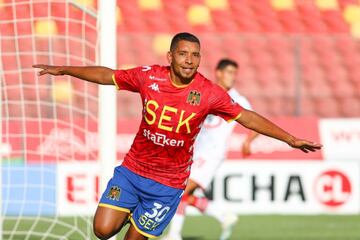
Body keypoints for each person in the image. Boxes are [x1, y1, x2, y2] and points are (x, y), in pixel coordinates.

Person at [33, 32, 322, 240]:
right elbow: (108, 75)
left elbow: (246, 116)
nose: (190, 60)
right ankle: (131, 212)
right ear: (170, 56)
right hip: (132, 172)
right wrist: (65, 70)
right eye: (183, 53)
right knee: (102, 230)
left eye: (195, 55)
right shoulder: (149, 77)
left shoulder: (209, 93)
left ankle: (141, 218)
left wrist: (290, 139)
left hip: (168, 185)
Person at [163, 58, 258, 240]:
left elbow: (255, 123)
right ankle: (222, 215)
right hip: (195, 151)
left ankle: (174, 235)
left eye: (235, 74)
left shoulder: (238, 99)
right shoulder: (207, 92)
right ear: (219, 72)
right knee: (180, 193)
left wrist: (248, 142)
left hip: (211, 155)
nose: (233, 77)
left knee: (180, 190)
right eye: (229, 72)